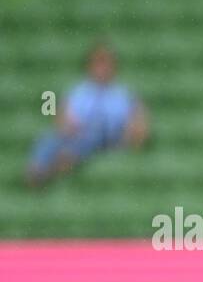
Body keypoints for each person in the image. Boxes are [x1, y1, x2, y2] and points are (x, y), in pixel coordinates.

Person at [25, 42, 150, 188]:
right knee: (49, 138)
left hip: (107, 137)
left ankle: (54, 169)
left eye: (106, 65)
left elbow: (137, 118)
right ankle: (37, 170)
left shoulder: (122, 94)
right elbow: (62, 115)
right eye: (98, 65)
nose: (102, 70)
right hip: (78, 133)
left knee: (89, 138)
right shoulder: (79, 91)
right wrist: (67, 125)